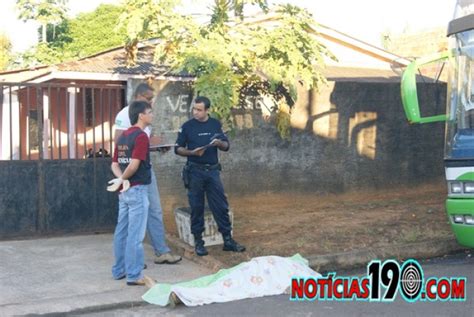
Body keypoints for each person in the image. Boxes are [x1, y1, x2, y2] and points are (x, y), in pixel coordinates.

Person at [114, 83, 181, 265]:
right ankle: (132, 260)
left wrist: (155, 146)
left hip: (143, 170)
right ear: (138, 97)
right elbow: (121, 144)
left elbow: (138, 146)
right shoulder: (125, 115)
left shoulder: (144, 124)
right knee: (133, 219)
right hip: (134, 174)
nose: (152, 104)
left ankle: (160, 251)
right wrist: (125, 177)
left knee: (153, 211)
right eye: (148, 99)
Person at [175, 96, 245, 256]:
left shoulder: (215, 124)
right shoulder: (187, 126)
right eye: (194, 109)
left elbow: (226, 146)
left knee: (221, 205)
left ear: (207, 110)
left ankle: (228, 240)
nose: (195, 112)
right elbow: (177, 148)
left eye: (199, 110)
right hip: (194, 171)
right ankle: (199, 242)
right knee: (196, 207)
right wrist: (192, 152)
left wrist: (219, 143)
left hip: (212, 172)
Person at [109, 100, 153, 285]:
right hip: (136, 189)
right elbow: (134, 165)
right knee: (135, 235)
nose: (152, 115)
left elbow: (114, 164)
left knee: (121, 231)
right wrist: (124, 178)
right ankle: (134, 275)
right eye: (149, 112)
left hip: (124, 191)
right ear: (141, 115)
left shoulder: (123, 136)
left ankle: (119, 270)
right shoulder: (141, 136)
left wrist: (120, 179)